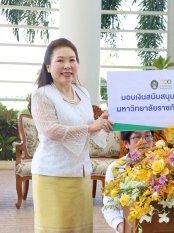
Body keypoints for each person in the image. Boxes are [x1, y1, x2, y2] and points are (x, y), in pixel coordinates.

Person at [29, 38, 113, 233]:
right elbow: (51, 131)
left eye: (72, 60)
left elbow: (88, 128)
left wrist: (102, 122)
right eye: (60, 60)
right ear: (48, 66)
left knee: (80, 229)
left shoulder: (82, 92)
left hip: (80, 172)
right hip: (52, 173)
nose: (67, 66)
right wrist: (90, 128)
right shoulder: (42, 95)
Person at [102, 130, 155, 233]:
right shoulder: (116, 169)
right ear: (126, 143)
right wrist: (121, 227)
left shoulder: (162, 165)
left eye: (148, 136)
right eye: (137, 137)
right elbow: (109, 206)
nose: (144, 141)